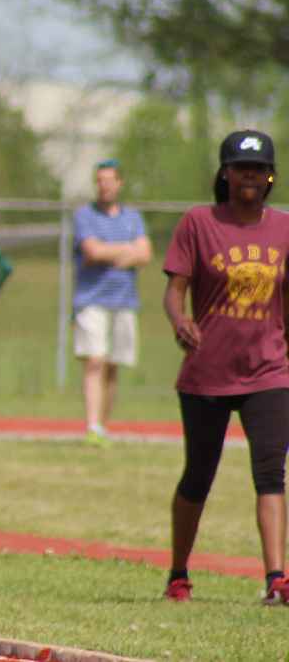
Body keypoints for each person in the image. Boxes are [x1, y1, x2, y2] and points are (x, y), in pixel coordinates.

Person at [162, 129, 289, 605]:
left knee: (272, 472)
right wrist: (180, 321)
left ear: (270, 175)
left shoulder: (284, 229)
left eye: (257, 168)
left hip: (268, 371)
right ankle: (178, 573)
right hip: (206, 373)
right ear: (225, 173)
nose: (249, 175)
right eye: (240, 167)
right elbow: (175, 289)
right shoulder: (198, 222)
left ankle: (276, 578)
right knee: (199, 474)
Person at [72, 159, 151, 447]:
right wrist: (127, 249)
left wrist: (111, 253)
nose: (104, 185)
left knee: (113, 365)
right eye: (100, 180)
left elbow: (145, 254)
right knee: (95, 360)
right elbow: (91, 252)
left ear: (120, 183)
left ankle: (103, 427)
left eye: (110, 180)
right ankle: (92, 425)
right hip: (91, 300)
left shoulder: (133, 218)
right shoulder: (84, 216)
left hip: (124, 301)